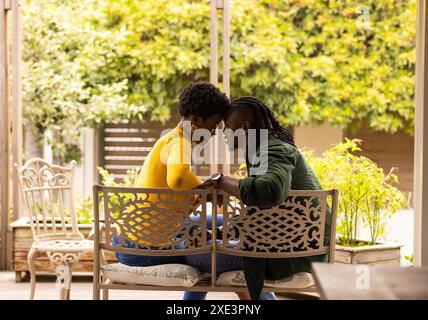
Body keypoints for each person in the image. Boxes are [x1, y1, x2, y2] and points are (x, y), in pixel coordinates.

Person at [113, 82, 272, 300]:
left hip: (134, 236)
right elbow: (178, 178)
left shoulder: (169, 140)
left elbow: (179, 182)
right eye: (214, 126)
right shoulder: (179, 143)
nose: (215, 133)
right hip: (142, 247)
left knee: (219, 222)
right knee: (208, 250)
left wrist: (204, 191)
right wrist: (205, 191)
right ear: (196, 120)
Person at [185, 96, 331, 300]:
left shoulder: (274, 149)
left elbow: (270, 189)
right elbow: (263, 214)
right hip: (287, 243)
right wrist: (218, 233)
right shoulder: (262, 151)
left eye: (228, 126)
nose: (223, 131)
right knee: (201, 245)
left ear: (245, 127)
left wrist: (220, 180)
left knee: (196, 255)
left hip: (296, 253)